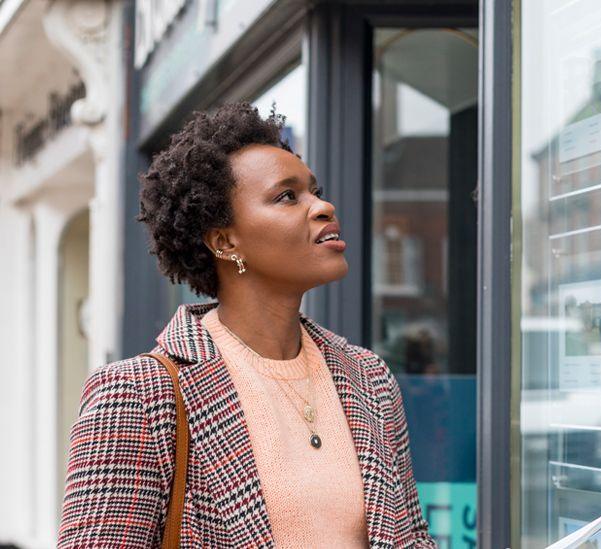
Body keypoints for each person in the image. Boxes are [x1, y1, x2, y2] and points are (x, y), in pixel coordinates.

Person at [57, 103, 435, 548]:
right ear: (224, 240)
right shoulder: (137, 395)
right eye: (287, 196)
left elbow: (410, 539)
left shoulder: (370, 380)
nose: (324, 206)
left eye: (314, 191)